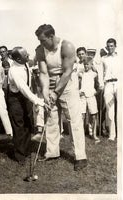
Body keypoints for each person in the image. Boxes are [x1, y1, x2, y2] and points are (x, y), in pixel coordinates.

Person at [35, 24, 87, 171]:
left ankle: (80, 156)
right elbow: (43, 73)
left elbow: (67, 72)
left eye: (43, 40)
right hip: (50, 81)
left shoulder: (67, 46)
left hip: (67, 83)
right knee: (51, 118)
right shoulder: (40, 50)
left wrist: (56, 92)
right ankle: (52, 152)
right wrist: (46, 93)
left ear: (51, 37)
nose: (41, 43)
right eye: (39, 41)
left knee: (73, 119)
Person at [8, 46, 45, 163]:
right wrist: (39, 101)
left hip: (26, 96)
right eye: (25, 55)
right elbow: (23, 89)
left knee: (28, 122)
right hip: (16, 98)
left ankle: (27, 149)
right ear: (18, 59)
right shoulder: (14, 70)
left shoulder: (25, 63)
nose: (28, 55)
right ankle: (20, 154)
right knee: (19, 124)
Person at [102, 38, 119, 141]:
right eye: (108, 46)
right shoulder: (104, 58)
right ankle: (112, 135)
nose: (110, 48)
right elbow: (102, 72)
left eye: (112, 46)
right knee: (109, 111)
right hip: (108, 84)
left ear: (115, 46)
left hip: (118, 83)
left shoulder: (120, 57)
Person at [80, 57, 100, 142]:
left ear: (91, 64)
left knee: (93, 115)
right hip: (82, 96)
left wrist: (96, 92)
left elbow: (99, 83)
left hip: (91, 96)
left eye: (87, 64)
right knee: (82, 115)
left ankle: (93, 134)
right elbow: (76, 83)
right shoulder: (81, 74)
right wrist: (79, 92)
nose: (86, 66)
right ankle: (81, 133)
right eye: (84, 64)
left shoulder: (94, 74)